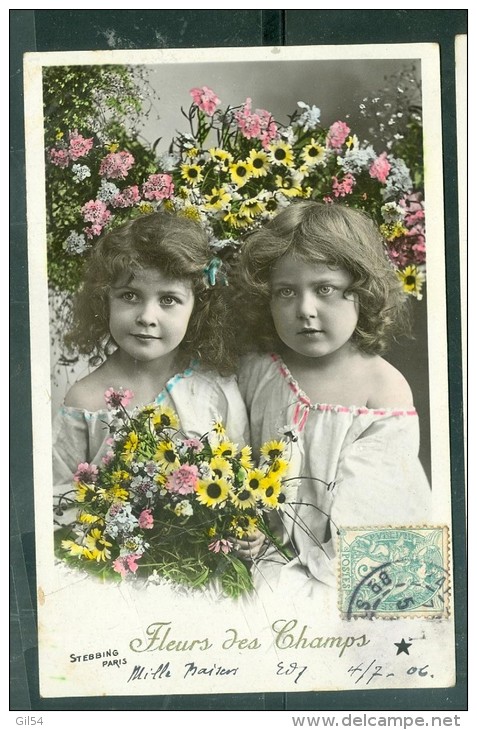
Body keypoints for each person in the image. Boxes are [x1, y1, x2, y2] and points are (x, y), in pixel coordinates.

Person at [236, 200, 432, 599]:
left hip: (346, 574)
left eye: (324, 289)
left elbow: (373, 531)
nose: (304, 310)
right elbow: (232, 460)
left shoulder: (381, 392)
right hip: (261, 557)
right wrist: (246, 524)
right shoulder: (260, 371)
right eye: (286, 292)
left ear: (360, 291)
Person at [52, 210, 263, 560]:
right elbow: (58, 495)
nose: (147, 316)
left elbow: (243, 478)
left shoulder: (216, 388)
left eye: (168, 300)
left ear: (197, 308)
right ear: (105, 299)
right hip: (115, 562)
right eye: (129, 296)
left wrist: (248, 529)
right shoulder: (86, 400)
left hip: (200, 561)